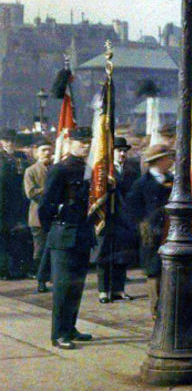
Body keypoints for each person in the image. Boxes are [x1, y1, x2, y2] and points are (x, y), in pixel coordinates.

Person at [38, 127, 95, 350]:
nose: (86, 146)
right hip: (63, 235)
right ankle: (59, 334)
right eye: (81, 142)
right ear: (70, 142)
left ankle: (70, 328)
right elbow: (45, 205)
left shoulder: (88, 169)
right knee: (62, 288)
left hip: (82, 234)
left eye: (88, 142)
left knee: (76, 286)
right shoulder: (60, 169)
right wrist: (52, 229)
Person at [126, 144, 174, 319]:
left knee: (169, 268)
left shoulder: (171, 179)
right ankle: (156, 309)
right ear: (159, 161)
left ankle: (169, 305)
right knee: (154, 269)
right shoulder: (142, 183)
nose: (171, 161)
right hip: (151, 232)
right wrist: (142, 225)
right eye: (168, 158)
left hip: (169, 229)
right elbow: (132, 208)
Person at [96, 137, 139, 303]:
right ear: (111, 152)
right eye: (119, 151)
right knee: (104, 254)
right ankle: (103, 290)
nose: (122, 154)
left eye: (124, 151)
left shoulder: (132, 170)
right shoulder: (104, 170)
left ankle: (119, 289)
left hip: (124, 218)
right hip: (107, 217)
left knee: (122, 255)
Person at [0, 128, 32, 280]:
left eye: (12, 140)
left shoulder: (21, 157)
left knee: (19, 237)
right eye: (7, 140)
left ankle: (18, 268)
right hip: (4, 202)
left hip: (19, 201)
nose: (10, 143)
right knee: (4, 237)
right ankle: (4, 270)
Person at [23, 137, 53, 292]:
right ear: (36, 153)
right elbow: (31, 192)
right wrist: (48, 189)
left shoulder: (55, 168)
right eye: (43, 150)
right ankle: (40, 280)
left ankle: (52, 277)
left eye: (49, 150)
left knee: (53, 248)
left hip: (54, 215)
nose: (47, 153)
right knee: (40, 250)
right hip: (38, 217)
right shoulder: (31, 171)